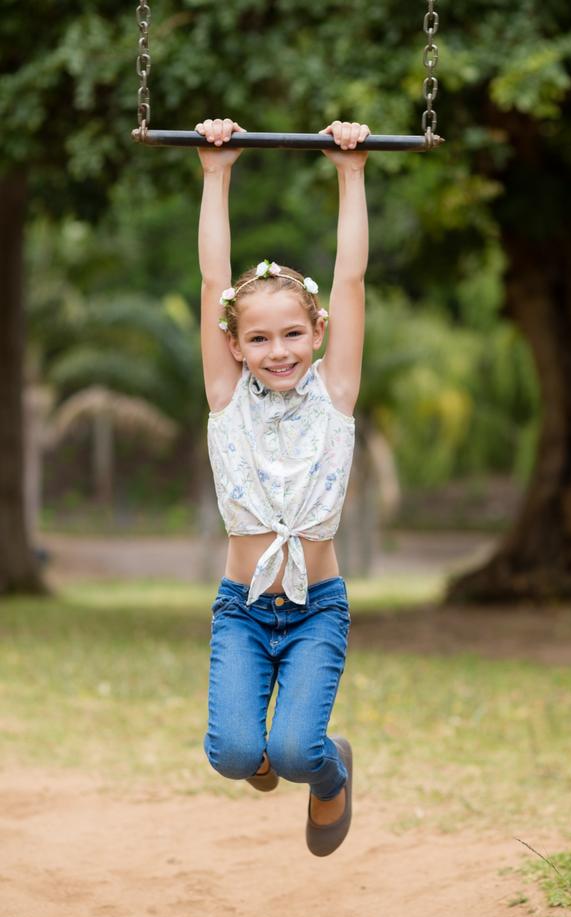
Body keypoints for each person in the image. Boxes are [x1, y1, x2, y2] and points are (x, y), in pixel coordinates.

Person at [195, 116, 370, 856]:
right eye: (259, 338)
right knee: (234, 755)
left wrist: (350, 173)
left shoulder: (335, 395)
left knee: (299, 754)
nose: (277, 350)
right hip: (241, 611)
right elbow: (212, 280)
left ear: (319, 331)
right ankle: (265, 751)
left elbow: (353, 276)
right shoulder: (225, 399)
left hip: (314, 611)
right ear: (234, 345)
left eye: (292, 334)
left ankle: (330, 775)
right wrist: (216, 172)